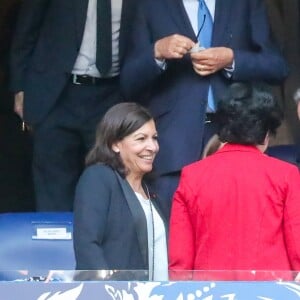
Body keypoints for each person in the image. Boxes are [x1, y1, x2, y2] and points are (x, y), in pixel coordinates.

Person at [120, 0, 289, 214]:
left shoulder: (244, 3)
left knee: (233, 227)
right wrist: (157, 52)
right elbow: (127, 83)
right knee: (173, 234)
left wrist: (232, 59)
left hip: (236, 137)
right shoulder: (151, 5)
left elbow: (277, 67)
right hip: (174, 144)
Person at [9, 0, 137, 211]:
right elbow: (26, 29)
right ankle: (56, 243)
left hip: (112, 95)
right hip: (56, 93)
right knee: (53, 186)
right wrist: (20, 86)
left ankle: (95, 243)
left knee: (108, 184)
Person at [168, 82, 300, 280]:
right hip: (271, 292)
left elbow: (180, 264)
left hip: (211, 293)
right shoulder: (286, 174)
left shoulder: (192, 175)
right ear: (266, 134)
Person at [73, 102, 168, 281]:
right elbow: (87, 245)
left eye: (154, 138)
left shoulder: (153, 190)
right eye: (141, 139)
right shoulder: (99, 177)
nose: (152, 147)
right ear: (115, 144)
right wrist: (107, 291)